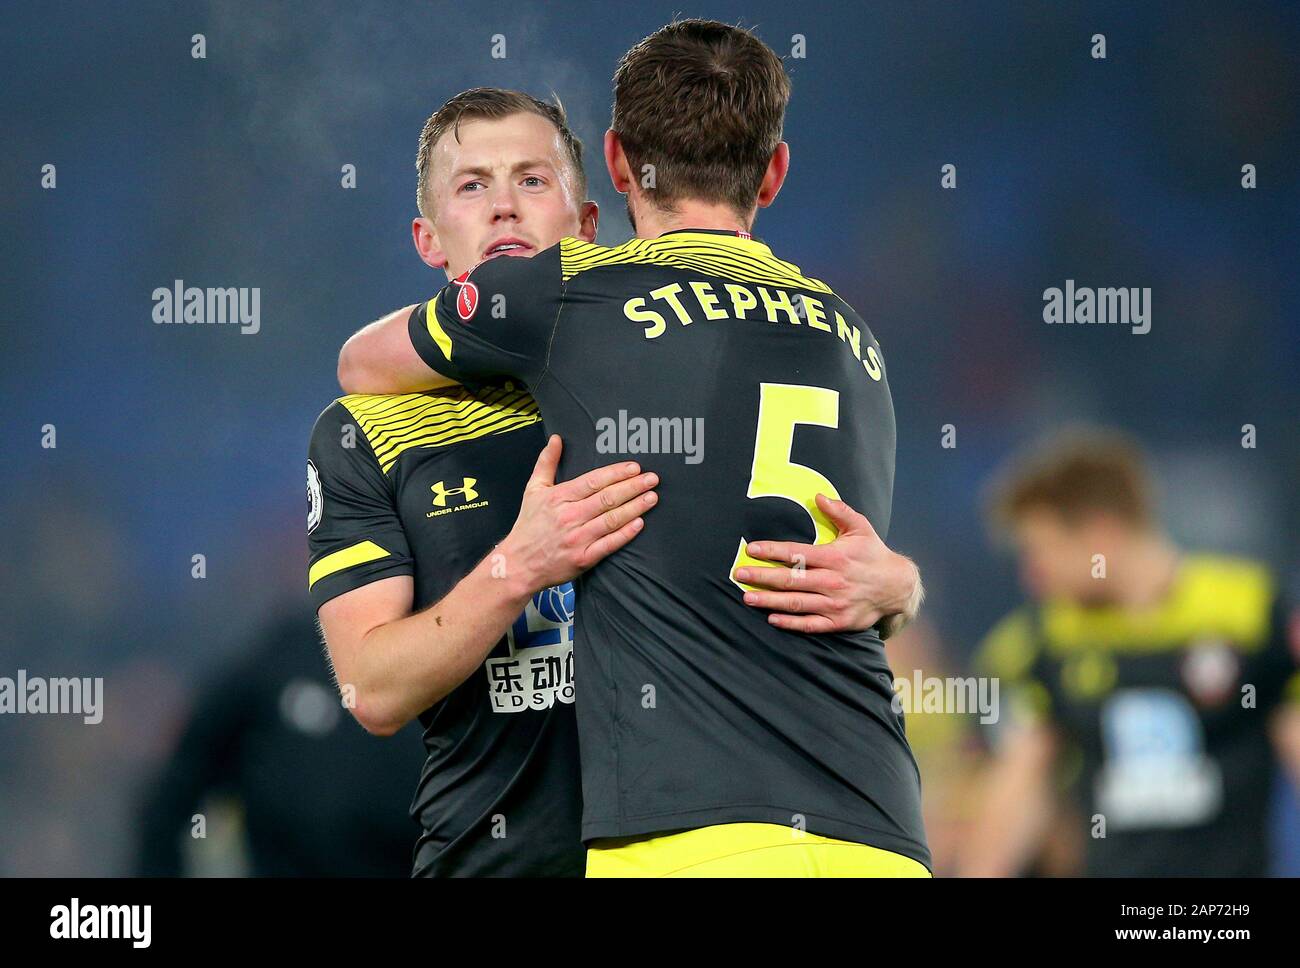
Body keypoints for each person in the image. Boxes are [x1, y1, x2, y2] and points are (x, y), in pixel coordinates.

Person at [337, 21, 931, 877]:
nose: (505, 206)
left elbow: (362, 361)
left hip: (695, 833)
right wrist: (905, 589)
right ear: (774, 171)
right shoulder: (858, 341)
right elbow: (860, 573)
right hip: (880, 827)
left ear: (615, 170)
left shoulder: (579, 294)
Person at [960, 429, 1300, 876]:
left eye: (1042, 552)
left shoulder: (1250, 612)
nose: (1033, 577)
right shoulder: (1047, 640)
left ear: (1103, 532)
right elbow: (1019, 788)